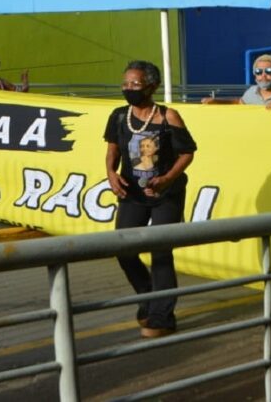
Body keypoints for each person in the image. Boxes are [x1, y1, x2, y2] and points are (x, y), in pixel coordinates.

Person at [105, 60, 196, 338]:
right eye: (126, 83)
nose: (129, 88)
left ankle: (162, 317)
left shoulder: (169, 116)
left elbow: (187, 153)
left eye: (135, 83)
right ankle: (147, 296)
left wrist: (167, 178)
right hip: (132, 194)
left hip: (166, 194)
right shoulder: (119, 116)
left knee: (160, 252)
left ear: (151, 86)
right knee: (124, 248)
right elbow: (112, 151)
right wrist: (110, 174)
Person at [200, 54, 271, 109]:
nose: (263, 75)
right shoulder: (251, 92)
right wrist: (216, 101)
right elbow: (240, 103)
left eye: (268, 71)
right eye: (258, 71)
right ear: (254, 75)